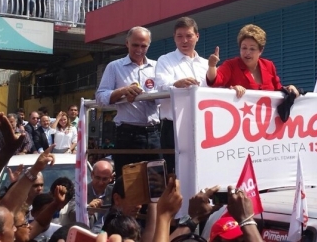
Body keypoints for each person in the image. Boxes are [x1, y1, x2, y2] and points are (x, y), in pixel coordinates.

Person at [96, 26, 160, 176]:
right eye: (135, 45)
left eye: (143, 46)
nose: (139, 49)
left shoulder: (157, 67)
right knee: (127, 185)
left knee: (156, 184)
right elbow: (100, 97)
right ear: (127, 43)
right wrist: (122, 92)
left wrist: (150, 97)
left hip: (154, 133)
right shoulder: (114, 67)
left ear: (149, 45)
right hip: (127, 134)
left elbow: (165, 97)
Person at [155, 17, 208, 172]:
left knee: (200, 169)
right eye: (179, 36)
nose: (184, 40)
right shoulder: (165, 60)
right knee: (174, 173)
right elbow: (160, 88)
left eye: (189, 36)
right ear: (174, 38)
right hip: (173, 126)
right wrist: (176, 85)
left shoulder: (206, 64)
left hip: (202, 125)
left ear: (197, 36)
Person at [207, 24, 299, 99]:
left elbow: (278, 90)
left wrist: (289, 89)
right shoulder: (231, 65)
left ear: (261, 50)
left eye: (252, 49)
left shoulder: (269, 65)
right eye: (244, 48)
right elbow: (214, 81)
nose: (247, 52)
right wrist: (212, 66)